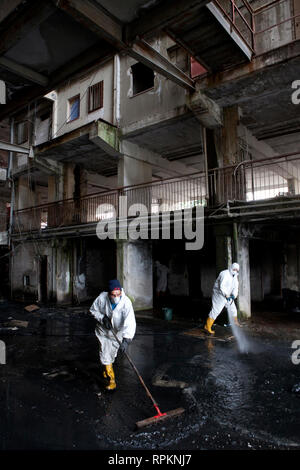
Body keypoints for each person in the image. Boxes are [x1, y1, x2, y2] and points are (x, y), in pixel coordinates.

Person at [89, 279, 136, 390]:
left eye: (118, 294)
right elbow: (93, 310)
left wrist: (126, 340)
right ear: (109, 293)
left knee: (112, 354)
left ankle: (106, 368)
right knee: (106, 355)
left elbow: (130, 322)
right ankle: (112, 381)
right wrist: (103, 318)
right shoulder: (102, 298)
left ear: (120, 292)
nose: (116, 297)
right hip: (104, 332)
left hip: (117, 333)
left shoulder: (126, 303)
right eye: (113, 295)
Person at [204, 263, 240, 335]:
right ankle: (207, 326)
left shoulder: (235, 276)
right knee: (216, 310)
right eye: (234, 269)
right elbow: (222, 286)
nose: (235, 271)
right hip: (219, 294)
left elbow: (236, 287)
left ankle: (235, 323)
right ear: (231, 267)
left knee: (233, 309)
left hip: (228, 295)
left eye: (236, 270)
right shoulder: (224, 274)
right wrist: (226, 295)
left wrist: (233, 295)